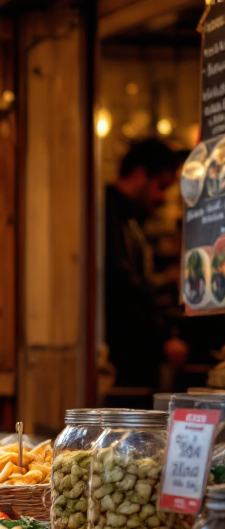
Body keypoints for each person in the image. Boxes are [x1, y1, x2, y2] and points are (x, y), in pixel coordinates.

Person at [104, 138, 186, 392]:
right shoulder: (108, 216)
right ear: (140, 175)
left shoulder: (129, 219)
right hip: (120, 367)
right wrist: (161, 339)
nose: (162, 198)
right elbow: (120, 291)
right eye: (160, 186)